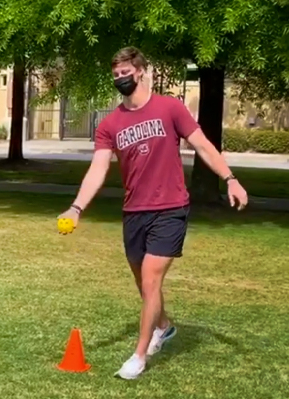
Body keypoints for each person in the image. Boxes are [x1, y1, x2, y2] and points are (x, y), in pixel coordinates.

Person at [57, 47, 248, 380]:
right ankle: (164, 325)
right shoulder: (110, 124)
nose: (121, 79)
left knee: (151, 279)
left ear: (142, 71)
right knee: (143, 285)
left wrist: (230, 179)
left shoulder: (169, 108)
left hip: (171, 208)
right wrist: (76, 208)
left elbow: (202, 144)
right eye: (116, 75)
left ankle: (139, 356)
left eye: (126, 72)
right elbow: (98, 169)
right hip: (134, 211)